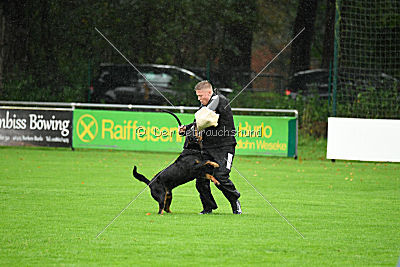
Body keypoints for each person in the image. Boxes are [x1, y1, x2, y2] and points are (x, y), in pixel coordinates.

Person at [179, 80, 241, 214]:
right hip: (207, 148)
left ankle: (235, 201)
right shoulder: (206, 105)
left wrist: (192, 127)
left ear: (209, 92)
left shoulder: (220, 101)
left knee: (221, 177)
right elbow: (198, 122)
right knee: (201, 178)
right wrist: (186, 128)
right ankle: (208, 207)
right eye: (197, 96)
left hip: (225, 147)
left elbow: (204, 119)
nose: (199, 99)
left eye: (201, 96)